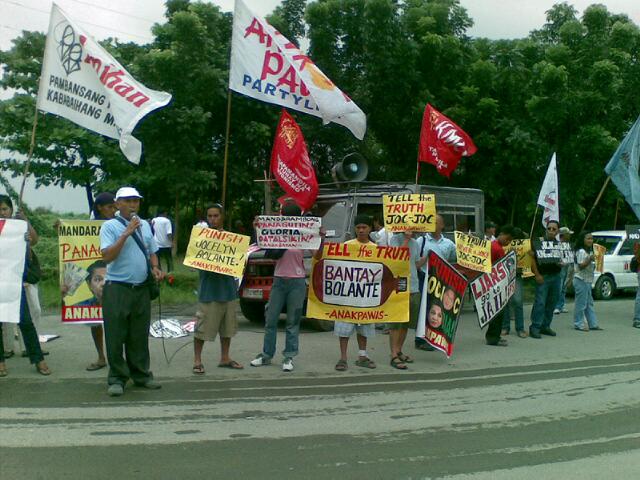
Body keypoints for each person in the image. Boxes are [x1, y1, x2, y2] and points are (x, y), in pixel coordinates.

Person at [100, 187, 163, 396]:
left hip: (141, 288)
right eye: (128, 201)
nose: (133, 205)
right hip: (117, 288)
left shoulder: (145, 225)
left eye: (136, 201)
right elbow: (107, 256)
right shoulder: (109, 226)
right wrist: (126, 233)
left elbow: (152, 251)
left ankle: (141, 375)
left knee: (139, 335)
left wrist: (155, 267)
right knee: (116, 335)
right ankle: (117, 378)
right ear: (117, 204)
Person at [250, 202, 325, 372]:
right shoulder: (278, 232)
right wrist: (257, 229)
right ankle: (266, 355)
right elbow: (263, 243)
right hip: (279, 280)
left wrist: (321, 238)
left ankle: (289, 357)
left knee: (293, 321)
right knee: (271, 319)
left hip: (297, 282)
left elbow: (317, 255)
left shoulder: (304, 233)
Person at [0, 194, 51, 377]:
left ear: (11, 210)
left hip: (15, 282)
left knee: (25, 321)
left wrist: (26, 221)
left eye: (5, 209)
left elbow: (34, 240)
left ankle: (38, 359)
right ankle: (1, 362)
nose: (2, 213)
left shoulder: (18, 227)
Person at [193, 204, 243, 374]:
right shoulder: (201, 238)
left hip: (228, 290)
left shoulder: (232, 239)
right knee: (201, 329)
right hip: (209, 291)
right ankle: (197, 360)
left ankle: (225, 357)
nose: (213, 219)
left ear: (222, 217)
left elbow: (239, 262)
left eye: (216, 216)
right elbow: (194, 260)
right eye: (210, 216)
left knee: (227, 328)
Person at [333, 214, 377, 371]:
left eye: (364, 227)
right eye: (358, 227)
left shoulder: (376, 249)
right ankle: (343, 358)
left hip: (365, 296)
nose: (361, 230)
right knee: (344, 328)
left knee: (363, 328)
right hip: (348, 295)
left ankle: (362, 355)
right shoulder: (347, 245)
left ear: (370, 229)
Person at [84, 191, 116, 372]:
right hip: (99, 270)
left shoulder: (118, 224)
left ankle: (115, 357)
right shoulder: (91, 225)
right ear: (99, 208)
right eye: (109, 207)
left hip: (114, 275)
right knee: (95, 322)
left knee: (116, 322)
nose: (113, 210)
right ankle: (101, 356)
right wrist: (63, 229)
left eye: (114, 206)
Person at [415, 214, 456, 351]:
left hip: (441, 280)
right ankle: (420, 340)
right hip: (424, 278)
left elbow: (453, 260)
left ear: (442, 225)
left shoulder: (449, 244)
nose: (432, 225)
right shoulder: (421, 241)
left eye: (436, 222)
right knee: (424, 309)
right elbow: (416, 260)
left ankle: (434, 337)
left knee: (438, 309)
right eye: (431, 222)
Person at [388, 230, 421, 369]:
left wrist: (428, 258)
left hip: (413, 286)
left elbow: (416, 264)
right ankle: (393, 354)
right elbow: (396, 258)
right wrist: (406, 240)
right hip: (398, 286)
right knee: (396, 323)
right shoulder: (395, 239)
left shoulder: (415, 243)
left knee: (406, 323)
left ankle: (399, 350)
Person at [529, 220, 563, 339]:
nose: (551, 231)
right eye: (549, 228)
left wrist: (561, 264)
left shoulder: (560, 245)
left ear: (558, 231)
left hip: (556, 276)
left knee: (552, 302)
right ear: (546, 229)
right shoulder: (538, 242)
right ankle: (535, 327)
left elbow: (562, 260)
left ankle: (545, 326)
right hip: (543, 277)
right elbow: (532, 259)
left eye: (554, 229)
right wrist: (537, 274)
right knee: (540, 303)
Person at [485, 225, 514, 346]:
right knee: (498, 312)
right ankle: (493, 338)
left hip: (490, 282)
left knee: (495, 312)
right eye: (507, 239)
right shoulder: (497, 248)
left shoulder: (493, 246)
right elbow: (502, 268)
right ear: (501, 234)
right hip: (495, 283)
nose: (507, 242)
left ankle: (493, 336)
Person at [572, 231, 602, 332]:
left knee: (589, 303)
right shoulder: (581, 251)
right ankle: (578, 323)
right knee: (581, 304)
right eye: (588, 238)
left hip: (588, 280)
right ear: (583, 240)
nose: (590, 240)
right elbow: (581, 266)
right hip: (581, 280)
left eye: (591, 238)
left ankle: (593, 323)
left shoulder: (589, 251)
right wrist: (590, 259)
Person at [501, 228, 527, 338]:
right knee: (505, 302)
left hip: (517, 275)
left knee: (518, 301)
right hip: (505, 275)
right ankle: (505, 327)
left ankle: (520, 328)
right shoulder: (503, 245)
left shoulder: (525, 246)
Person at [554, 226, 574, 314]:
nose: (569, 236)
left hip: (567, 267)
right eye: (568, 234)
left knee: (564, 286)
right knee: (559, 287)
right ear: (563, 235)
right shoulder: (557, 244)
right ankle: (556, 306)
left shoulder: (569, 244)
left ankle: (561, 305)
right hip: (560, 267)